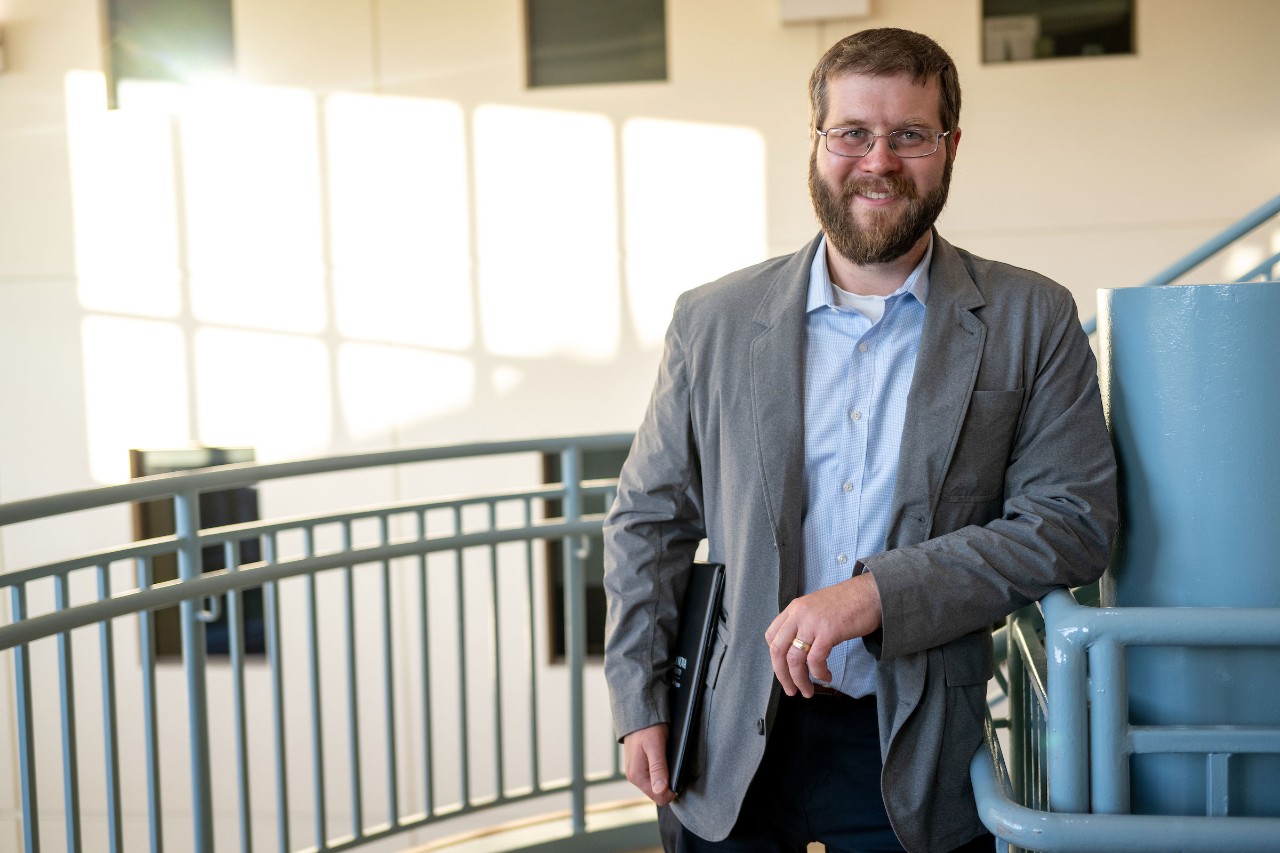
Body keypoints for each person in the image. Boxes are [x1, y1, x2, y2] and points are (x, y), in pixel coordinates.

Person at [602, 27, 1118, 853]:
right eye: (852, 133)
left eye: (909, 134)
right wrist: (639, 702)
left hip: (916, 746)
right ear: (816, 142)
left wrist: (877, 593)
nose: (878, 161)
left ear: (950, 147)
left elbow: (1072, 523)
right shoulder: (713, 319)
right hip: (729, 741)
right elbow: (647, 520)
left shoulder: (1033, 317)